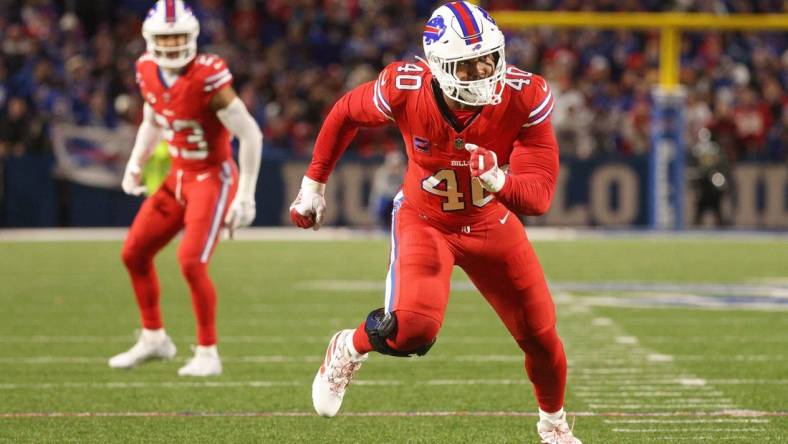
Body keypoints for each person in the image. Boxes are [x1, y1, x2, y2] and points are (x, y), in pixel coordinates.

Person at [289, 2, 580, 443]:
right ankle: (349, 347)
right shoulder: (404, 87)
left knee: (541, 336)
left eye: (489, 59)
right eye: (468, 66)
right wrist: (313, 184)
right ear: (439, 67)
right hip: (426, 220)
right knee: (411, 331)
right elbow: (346, 112)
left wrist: (500, 178)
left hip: (489, 221)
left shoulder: (526, 94)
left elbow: (538, 196)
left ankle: (554, 427)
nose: (484, 72)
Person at [108, 0, 262, 377]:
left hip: (211, 177)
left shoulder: (207, 75)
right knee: (134, 253)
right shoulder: (146, 69)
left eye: (179, 36)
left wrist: (245, 196)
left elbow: (250, 134)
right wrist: (136, 162)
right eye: (165, 37)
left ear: (193, 36)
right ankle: (154, 337)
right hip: (177, 176)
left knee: (191, 262)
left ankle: (208, 353)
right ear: (149, 39)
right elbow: (152, 119)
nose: (173, 44)